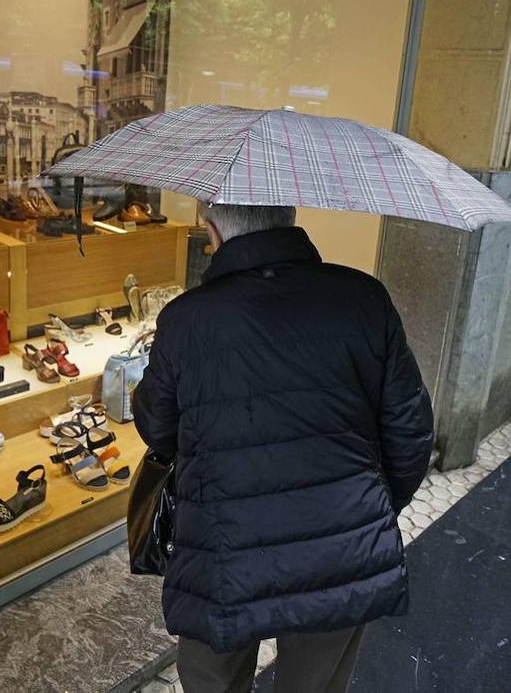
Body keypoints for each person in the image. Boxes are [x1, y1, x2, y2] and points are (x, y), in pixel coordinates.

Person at [132, 203, 435, 693]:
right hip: (339, 544)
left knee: (213, 680)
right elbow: (411, 432)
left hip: (220, 549)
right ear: (289, 220)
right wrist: (365, 507)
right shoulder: (364, 298)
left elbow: (156, 429)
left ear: (213, 230)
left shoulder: (187, 319)